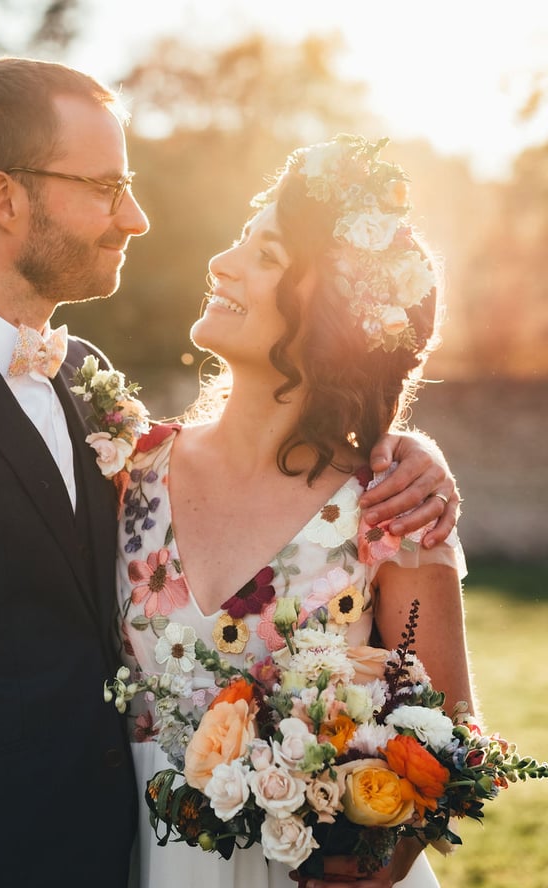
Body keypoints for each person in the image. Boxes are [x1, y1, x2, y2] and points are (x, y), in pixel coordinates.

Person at [0, 55, 456, 888]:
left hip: (130, 854)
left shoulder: (94, 390)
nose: (135, 217)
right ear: (5, 197)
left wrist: (407, 451)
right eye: (105, 187)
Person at [116, 134, 474, 888]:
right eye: (241, 237)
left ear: (337, 312)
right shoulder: (126, 468)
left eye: (268, 252)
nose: (223, 262)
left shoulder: (392, 510)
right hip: (139, 854)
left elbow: (451, 735)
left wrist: (384, 859)